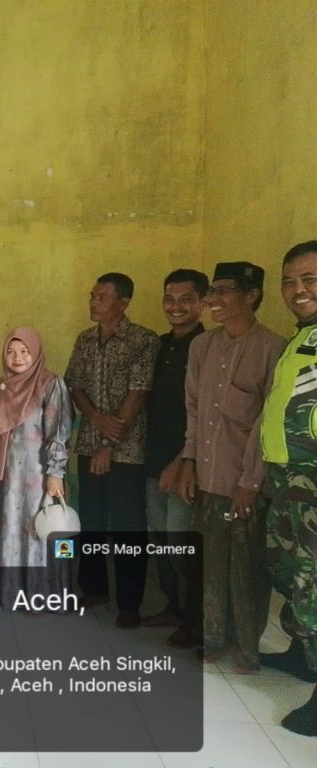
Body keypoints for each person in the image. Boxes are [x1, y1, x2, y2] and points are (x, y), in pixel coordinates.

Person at [176, 261, 283, 672]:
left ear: (251, 295)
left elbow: (266, 423)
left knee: (245, 567)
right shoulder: (203, 347)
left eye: (223, 291)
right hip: (206, 475)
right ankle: (214, 638)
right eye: (212, 292)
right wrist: (188, 461)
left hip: (244, 482)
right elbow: (193, 408)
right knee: (210, 563)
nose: (213, 300)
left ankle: (247, 648)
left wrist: (250, 482)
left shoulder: (272, 348)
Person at [65, 272, 159, 628]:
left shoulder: (143, 340)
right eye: (93, 296)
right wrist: (95, 420)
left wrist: (108, 441)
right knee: (90, 519)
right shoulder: (85, 339)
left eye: (102, 297)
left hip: (126, 451)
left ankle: (129, 602)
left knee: (126, 526)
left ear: (124, 302)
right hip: (89, 444)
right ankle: (94, 588)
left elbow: (138, 393)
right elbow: (75, 385)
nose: (94, 302)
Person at [259, 241, 317, 734]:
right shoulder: (301, 337)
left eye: (310, 279)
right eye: (289, 281)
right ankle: (302, 653)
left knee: (314, 580)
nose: (297, 290)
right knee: (290, 570)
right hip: (288, 476)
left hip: (312, 477)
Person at [0, 328, 73, 609]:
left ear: (36, 353)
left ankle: (40, 596)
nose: (17, 357)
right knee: (5, 530)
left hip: (37, 476)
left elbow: (59, 431)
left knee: (37, 531)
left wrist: (55, 474)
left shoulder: (50, 385)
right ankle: (7, 593)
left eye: (24, 351)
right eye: (11, 351)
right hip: (3, 477)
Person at [143, 269, 208, 645]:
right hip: (153, 460)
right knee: (160, 540)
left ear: (202, 303)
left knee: (181, 542)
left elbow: (203, 414)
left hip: (185, 465)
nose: (176, 306)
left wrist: (182, 461)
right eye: (170, 298)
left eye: (186, 300)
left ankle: (195, 621)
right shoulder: (160, 345)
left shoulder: (206, 347)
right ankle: (174, 606)